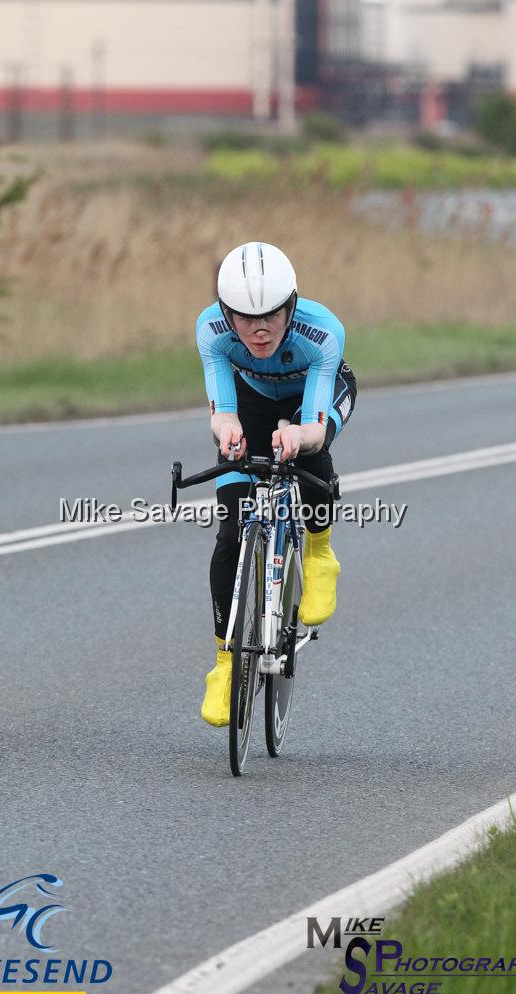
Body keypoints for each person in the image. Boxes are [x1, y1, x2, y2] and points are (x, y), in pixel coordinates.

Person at [196, 241, 356, 726]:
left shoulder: (322, 331)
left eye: (271, 314)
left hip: (314, 398)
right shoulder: (211, 331)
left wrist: (297, 435)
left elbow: (312, 424)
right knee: (229, 532)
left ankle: (319, 552)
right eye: (245, 317)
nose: (259, 328)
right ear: (226, 313)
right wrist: (227, 432)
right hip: (251, 399)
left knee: (310, 454)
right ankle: (225, 665)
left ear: (291, 305)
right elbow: (223, 411)